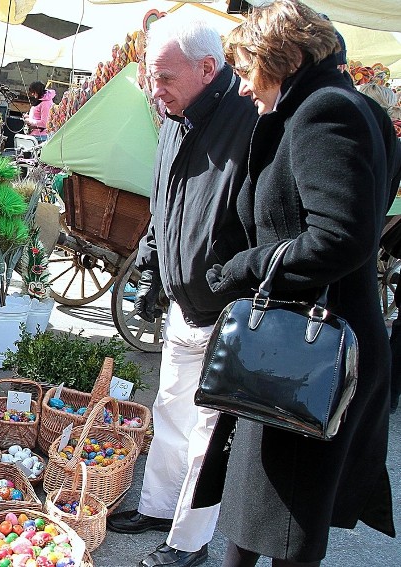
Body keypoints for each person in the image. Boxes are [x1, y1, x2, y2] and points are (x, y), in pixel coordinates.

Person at [196, 1, 396, 565]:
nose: (239, 88)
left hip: (306, 353)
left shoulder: (323, 110)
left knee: (282, 530)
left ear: (279, 58)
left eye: (244, 70)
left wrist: (245, 266)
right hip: (299, 345)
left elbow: (341, 239)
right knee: (257, 520)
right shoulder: (355, 108)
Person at [105, 15, 257, 567]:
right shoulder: (175, 115)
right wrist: (149, 270)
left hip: (225, 307)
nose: (154, 88)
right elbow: (163, 209)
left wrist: (225, 279)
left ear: (207, 69)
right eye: (150, 75)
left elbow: (261, 220)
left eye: (164, 77)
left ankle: (188, 544)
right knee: (170, 407)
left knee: (210, 431)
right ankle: (159, 506)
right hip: (183, 302)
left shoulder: (249, 118)